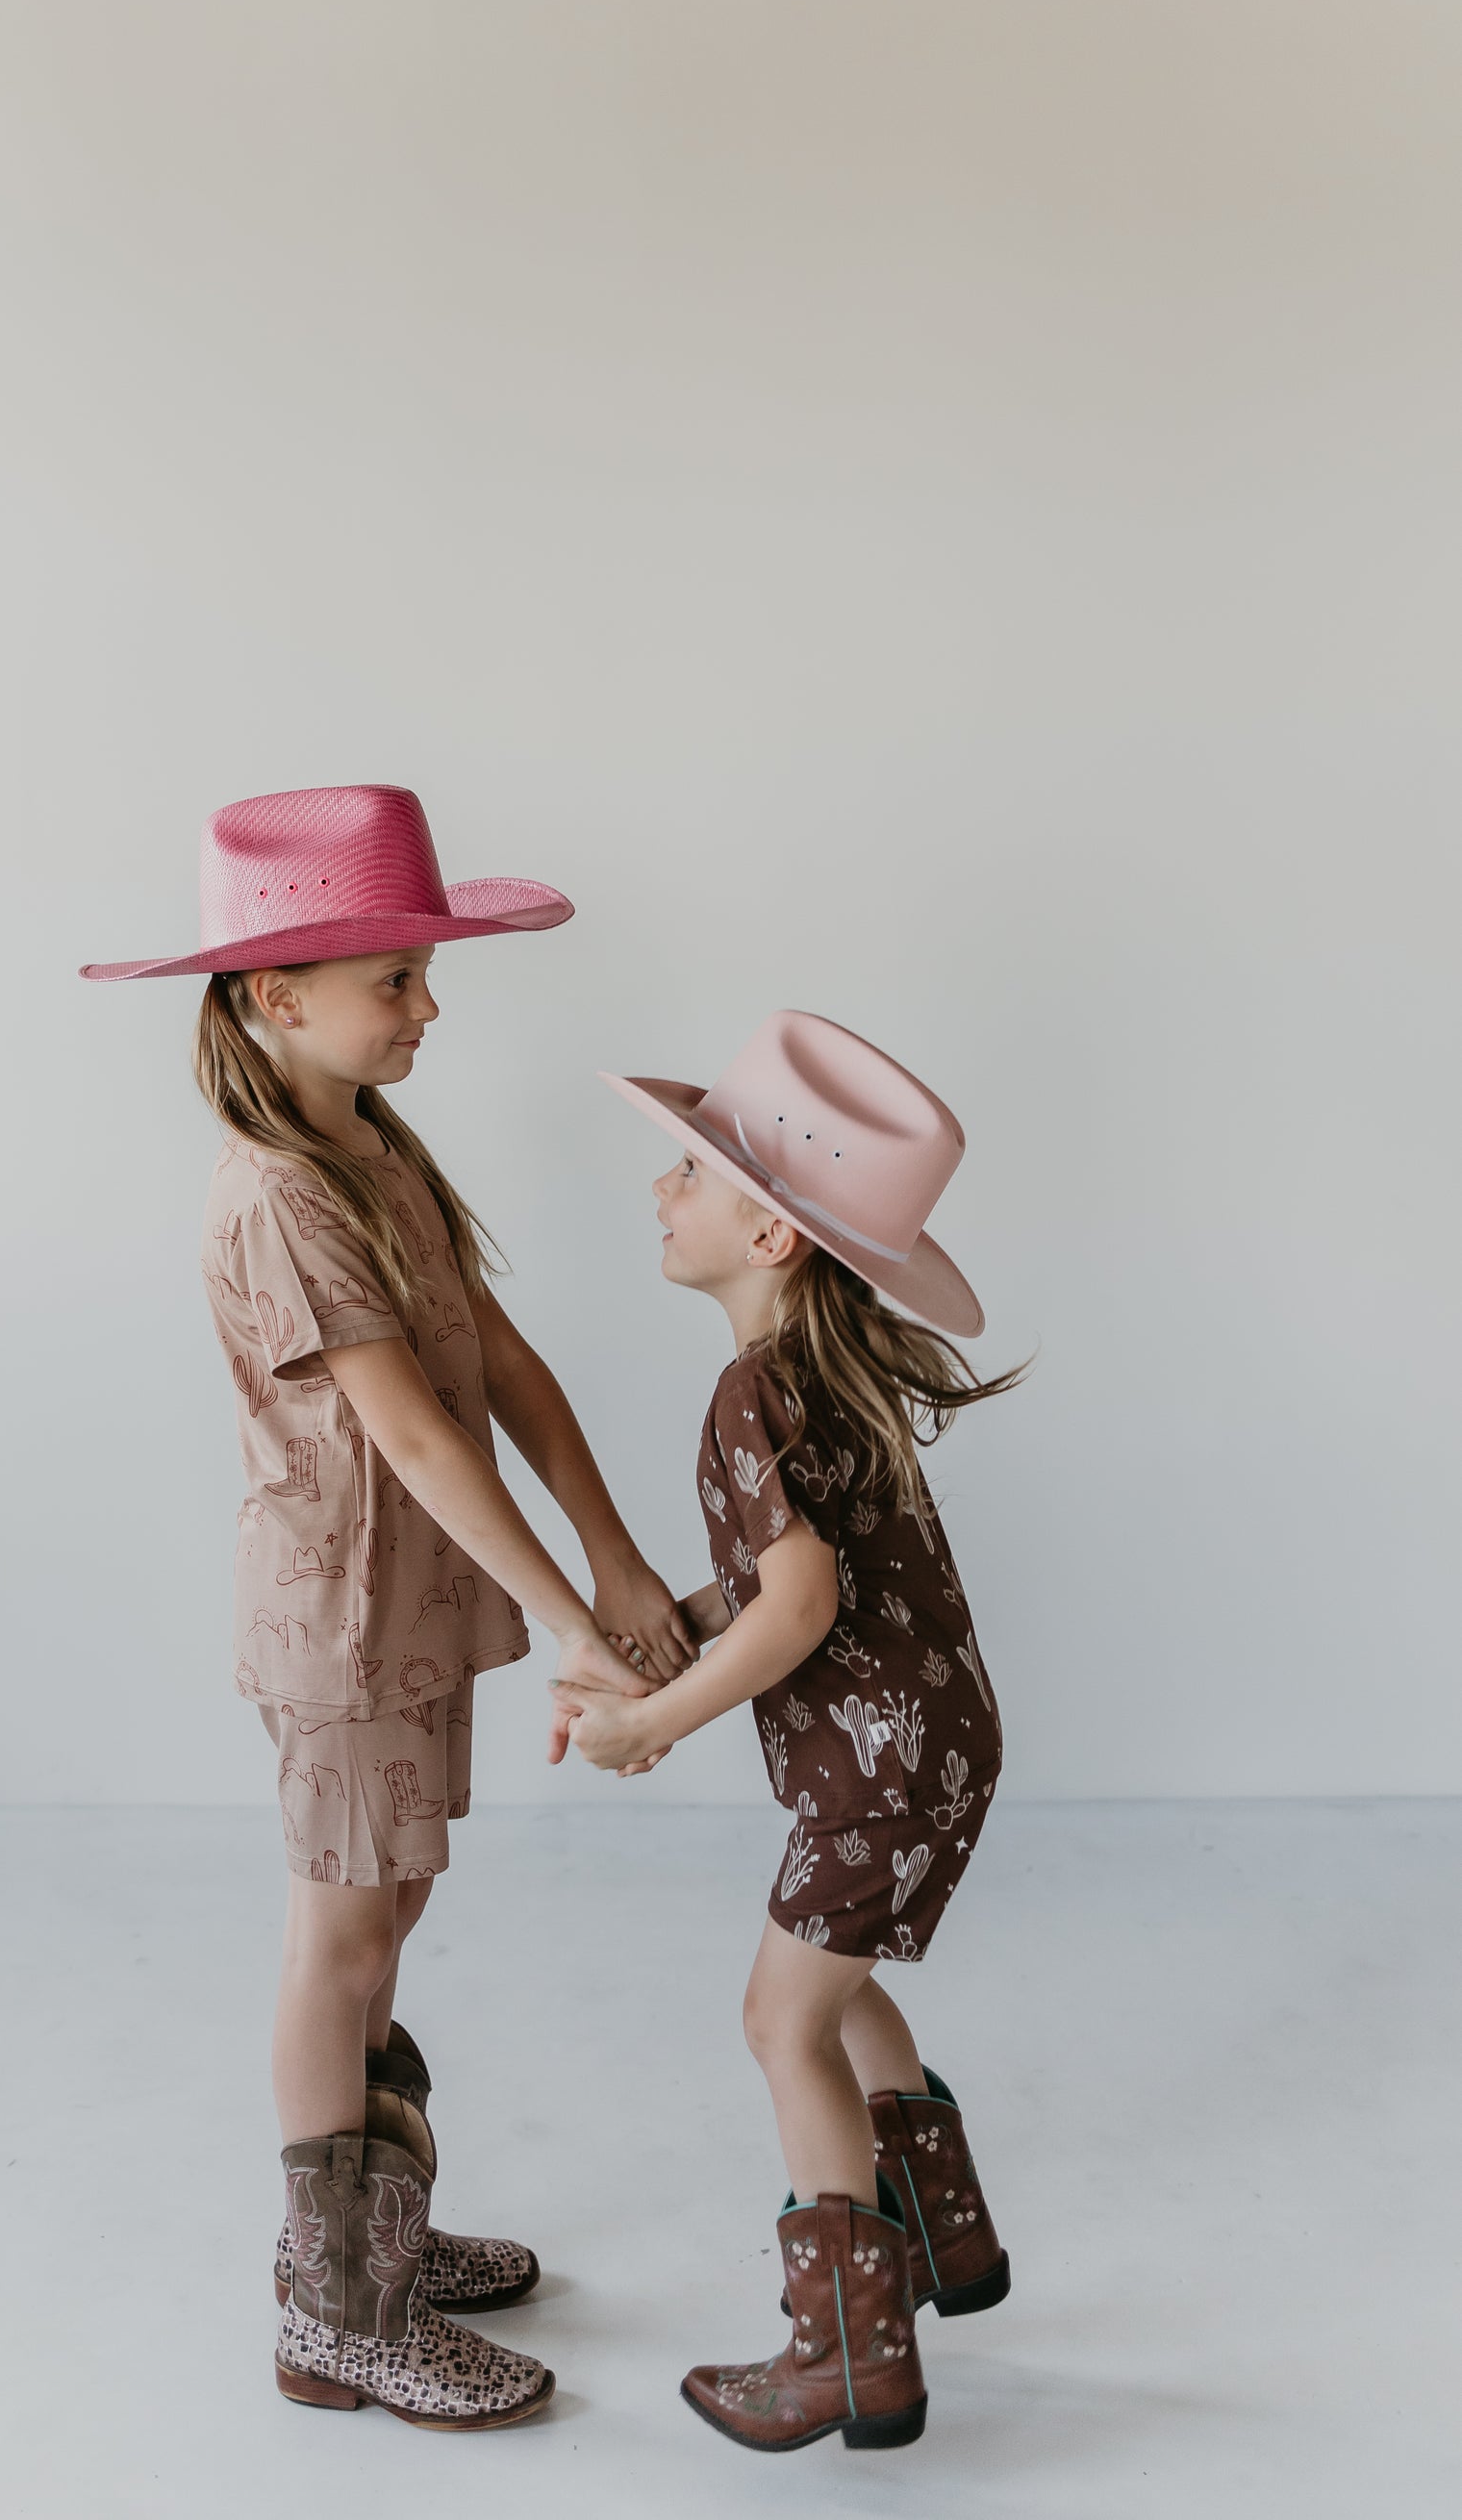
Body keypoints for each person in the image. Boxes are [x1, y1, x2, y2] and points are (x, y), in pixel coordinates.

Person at [83, 783, 689, 2430]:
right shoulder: (278, 1192)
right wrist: (572, 1620)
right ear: (277, 995)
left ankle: (376, 2232)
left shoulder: (371, 1144)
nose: (428, 1006)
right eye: (397, 979)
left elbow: (495, 1366)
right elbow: (410, 1431)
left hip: (417, 1604)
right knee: (341, 1937)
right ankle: (339, 2309)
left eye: (424, 974)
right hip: (344, 1622)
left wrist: (615, 1555)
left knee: (390, 1917)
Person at [555, 1010, 1023, 2455]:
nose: (658, 1190)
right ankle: (943, 2242)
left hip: (874, 1775)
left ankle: (844, 2357)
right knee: (837, 1988)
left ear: (768, 1240)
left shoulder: (748, 1390)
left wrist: (654, 1723)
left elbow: (802, 1603)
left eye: (690, 1175)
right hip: (933, 1748)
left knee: (779, 2021)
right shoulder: (823, 1376)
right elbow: (790, 1572)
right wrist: (678, 1628)